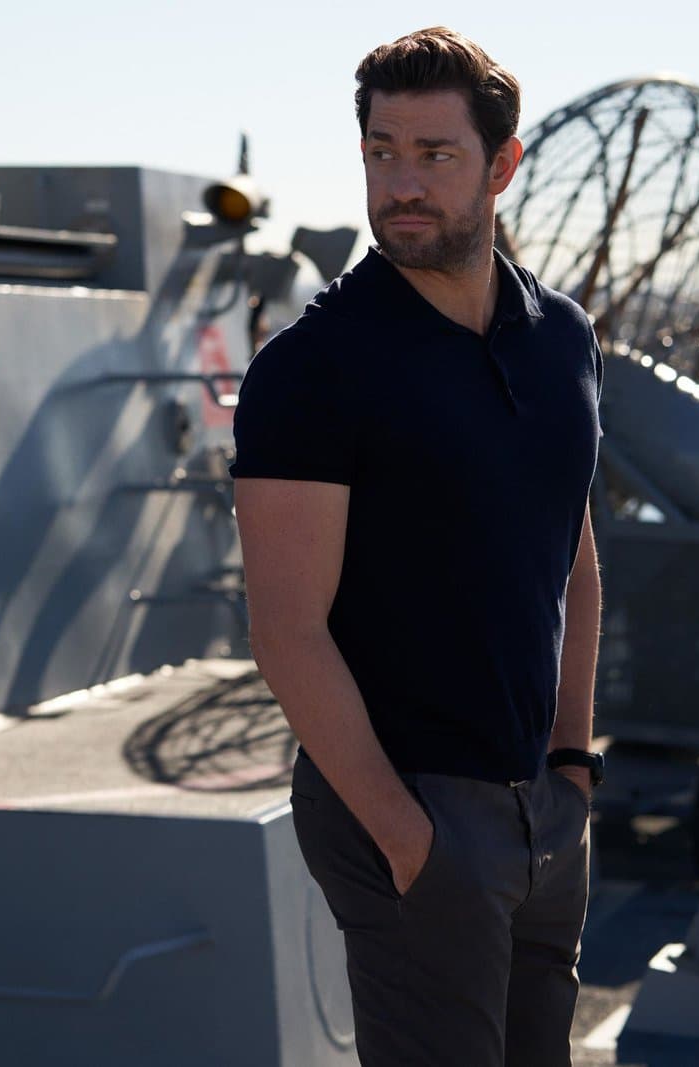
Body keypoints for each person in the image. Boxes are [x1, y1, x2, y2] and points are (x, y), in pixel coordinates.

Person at [228, 26, 604, 1067]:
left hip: (542, 805)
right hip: (407, 808)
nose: (402, 183)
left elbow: (571, 558)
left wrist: (572, 766)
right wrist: (408, 838)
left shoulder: (562, 340)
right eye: (382, 151)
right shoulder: (315, 366)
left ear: (501, 164)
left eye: (436, 154)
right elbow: (287, 631)